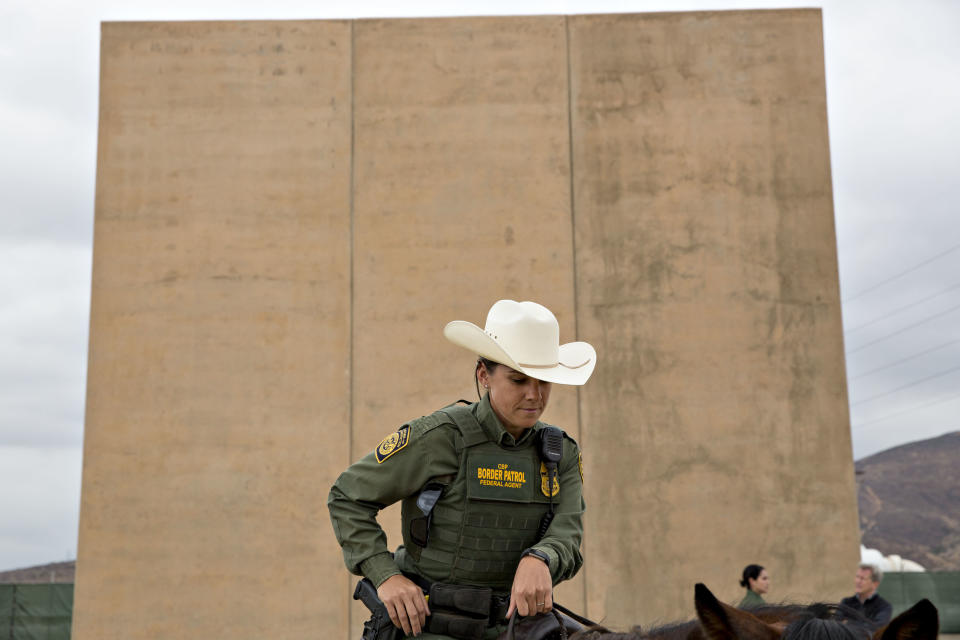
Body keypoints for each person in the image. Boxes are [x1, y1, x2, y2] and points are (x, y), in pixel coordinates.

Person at [328, 300, 596, 640]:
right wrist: (386, 576)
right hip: (429, 627)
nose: (534, 395)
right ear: (484, 375)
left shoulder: (560, 454)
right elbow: (347, 496)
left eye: (544, 381)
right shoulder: (437, 438)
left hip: (518, 629)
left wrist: (541, 558)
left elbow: (568, 534)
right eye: (518, 380)